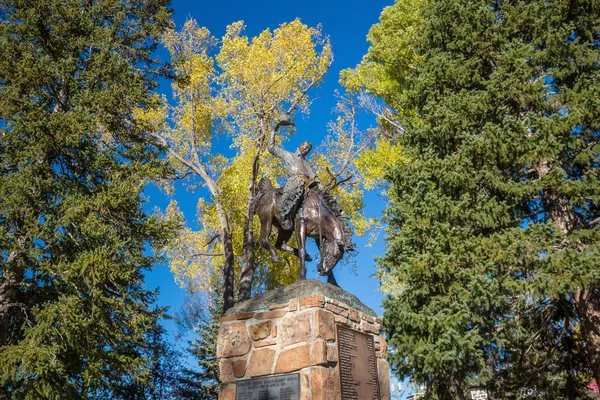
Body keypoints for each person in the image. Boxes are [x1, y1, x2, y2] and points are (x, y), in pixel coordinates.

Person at [267, 116, 320, 230]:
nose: (306, 150)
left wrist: (320, 185)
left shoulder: (306, 164)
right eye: (305, 148)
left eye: (308, 150)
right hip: (294, 181)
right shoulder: (288, 155)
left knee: (321, 198)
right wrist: (273, 130)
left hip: (307, 183)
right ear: (300, 146)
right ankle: (285, 216)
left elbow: (313, 175)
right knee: (295, 189)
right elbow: (271, 148)